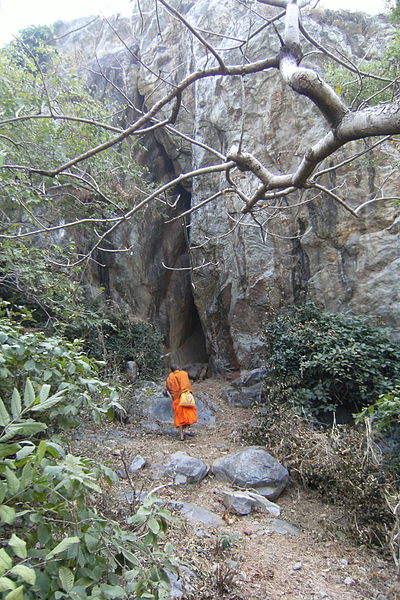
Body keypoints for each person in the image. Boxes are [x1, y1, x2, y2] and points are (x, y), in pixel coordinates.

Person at [165, 365, 198, 441]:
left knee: (179, 417)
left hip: (176, 399)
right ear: (178, 368)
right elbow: (186, 385)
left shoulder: (169, 378)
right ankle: (187, 429)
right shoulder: (183, 374)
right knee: (188, 413)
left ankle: (181, 436)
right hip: (184, 397)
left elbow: (168, 388)